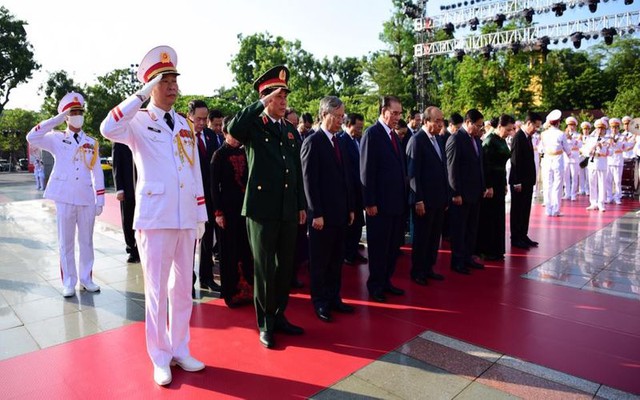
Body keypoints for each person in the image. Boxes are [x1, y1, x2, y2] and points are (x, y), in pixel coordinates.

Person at [101, 46, 207, 386]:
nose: (173, 85)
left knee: (182, 290)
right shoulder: (138, 122)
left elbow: (195, 171)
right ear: (150, 85)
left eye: (175, 79)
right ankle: (159, 356)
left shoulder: (185, 125)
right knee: (157, 290)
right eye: (165, 80)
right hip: (155, 216)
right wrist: (140, 95)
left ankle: (180, 349)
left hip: (185, 217)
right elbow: (107, 128)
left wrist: (200, 211)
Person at [227, 65, 307, 349]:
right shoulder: (254, 126)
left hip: (286, 209)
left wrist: (300, 204)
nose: (284, 101)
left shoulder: (288, 130)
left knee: (285, 267)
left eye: (285, 95)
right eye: (278, 96)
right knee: (264, 270)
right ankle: (265, 324)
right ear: (266, 98)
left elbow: (295, 170)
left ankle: (279, 314)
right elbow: (233, 129)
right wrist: (259, 103)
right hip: (261, 210)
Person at [27, 92, 104, 298]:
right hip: (65, 197)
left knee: (86, 241)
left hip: (86, 197)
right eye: (73, 112)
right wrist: (56, 120)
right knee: (66, 241)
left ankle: (86, 279)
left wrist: (101, 198)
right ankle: (69, 281)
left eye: (80, 112)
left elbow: (96, 171)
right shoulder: (56, 138)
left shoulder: (91, 142)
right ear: (66, 116)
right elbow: (31, 137)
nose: (78, 115)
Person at [301, 96, 355, 322]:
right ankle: (320, 301)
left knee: (336, 259)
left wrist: (351, 207)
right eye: (338, 116)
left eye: (343, 116)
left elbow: (346, 178)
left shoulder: (340, 141)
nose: (341, 120)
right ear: (324, 115)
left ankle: (334, 297)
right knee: (320, 261)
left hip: (340, 213)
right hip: (322, 216)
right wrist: (316, 213)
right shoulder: (313, 142)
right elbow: (309, 182)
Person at [360, 95, 407, 302]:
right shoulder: (372, 134)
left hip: (395, 203)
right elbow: (366, 171)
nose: (398, 117)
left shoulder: (394, 135)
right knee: (379, 248)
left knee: (391, 248)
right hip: (378, 205)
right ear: (383, 111)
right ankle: (375, 285)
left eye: (400, 113)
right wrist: (369, 202)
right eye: (394, 113)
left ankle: (386, 281)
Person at [211, 116, 253, 308]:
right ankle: (231, 292)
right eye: (232, 135)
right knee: (229, 250)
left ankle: (248, 289)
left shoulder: (246, 152)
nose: (237, 139)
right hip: (227, 210)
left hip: (245, 209)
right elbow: (213, 187)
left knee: (246, 248)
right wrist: (218, 212)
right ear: (225, 133)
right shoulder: (218, 155)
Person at [406, 106, 448, 285]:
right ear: (426, 121)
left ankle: (429, 267)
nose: (440, 124)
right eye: (436, 121)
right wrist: (418, 199)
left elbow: (442, 168)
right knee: (422, 237)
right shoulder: (417, 141)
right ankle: (418, 271)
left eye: (441, 120)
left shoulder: (438, 139)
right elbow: (413, 174)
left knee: (433, 236)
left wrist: (446, 195)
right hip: (424, 199)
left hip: (438, 198)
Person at [446, 109, 487, 274]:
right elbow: (452, 169)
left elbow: (479, 165)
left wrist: (483, 186)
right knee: (459, 229)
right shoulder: (456, 139)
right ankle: (457, 261)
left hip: (475, 192)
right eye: (477, 125)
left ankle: (468, 257)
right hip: (461, 194)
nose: (480, 128)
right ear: (468, 122)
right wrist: (455, 193)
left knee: (471, 228)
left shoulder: (475, 139)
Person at [187, 100, 222, 296]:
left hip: (208, 197)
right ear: (189, 115)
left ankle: (207, 277)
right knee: (189, 242)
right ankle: (188, 281)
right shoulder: (182, 136)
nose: (201, 123)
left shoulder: (211, 136)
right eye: (198, 118)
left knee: (208, 238)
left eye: (204, 119)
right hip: (189, 197)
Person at [476, 114, 515, 261]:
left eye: (511, 130)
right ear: (499, 126)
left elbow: (503, 164)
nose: (510, 132)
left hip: (500, 181)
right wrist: (488, 185)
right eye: (508, 129)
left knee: (499, 216)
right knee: (489, 217)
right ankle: (487, 249)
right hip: (490, 182)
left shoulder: (502, 140)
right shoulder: (489, 140)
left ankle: (497, 249)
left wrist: (504, 183)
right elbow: (486, 165)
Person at [509, 112, 542, 250]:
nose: (536, 129)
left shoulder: (528, 137)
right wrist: (517, 182)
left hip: (527, 181)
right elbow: (515, 161)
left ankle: (523, 235)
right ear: (528, 123)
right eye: (536, 126)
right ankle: (516, 238)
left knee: (525, 210)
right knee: (517, 210)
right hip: (519, 182)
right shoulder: (518, 137)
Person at [339, 113, 367, 266]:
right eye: (358, 128)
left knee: (357, 224)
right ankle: (347, 254)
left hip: (359, 190)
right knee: (350, 224)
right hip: (350, 190)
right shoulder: (342, 141)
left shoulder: (358, 140)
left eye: (362, 128)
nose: (360, 130)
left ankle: (354, 251)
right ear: (349, 125)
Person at [538, 110, 571, 217]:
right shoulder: (561, 134)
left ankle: (548, 209)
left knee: (547, 184)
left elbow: (540, 149)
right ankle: (556, 210)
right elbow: (568, 150)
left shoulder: (543, 134)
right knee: (557, 184)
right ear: (558, 122)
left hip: (547, 159)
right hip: (558, 159)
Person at [112, 142, 139, 263]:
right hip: (128, 189)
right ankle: (132, 249)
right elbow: (116, 166)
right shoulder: (119, 141)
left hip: (145, 190)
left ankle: (141, 248)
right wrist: (119, 189)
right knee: (128, 220)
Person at [581, 119, 610, 212]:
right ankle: (593, 203)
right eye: (598, 128)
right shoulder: (590, 139)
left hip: (602, 163)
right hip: (592, 163)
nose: (600, 130)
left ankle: (601, 203)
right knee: (592, 183)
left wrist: (601, 148)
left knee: (602, 184)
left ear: (605, 129)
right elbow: (584, 150)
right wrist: (591, 149)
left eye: (602, 129)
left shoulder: (607, 140)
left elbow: (610, 152)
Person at [605, 118, 626, 205]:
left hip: (617, 161)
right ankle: (609, 197)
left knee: (617, 181)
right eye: (612, 127)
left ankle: (617, 197)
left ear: (618, 128)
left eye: (616, 127)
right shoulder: (607, 137)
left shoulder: (622, 137)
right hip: (609, 161)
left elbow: (622, 147)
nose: (614, 129)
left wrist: (614, 143)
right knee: (608, 180)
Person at [562, 117, 581, 201]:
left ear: (575, 126)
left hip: (574, 157)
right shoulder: (563, 134)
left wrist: (571, 139)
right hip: (566, 157)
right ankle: (567, 193)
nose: (571, 127)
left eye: (573, 125)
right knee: (566, 177)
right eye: (570, 125)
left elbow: (579, 145)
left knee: (574, 177)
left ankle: (573, 194)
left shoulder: (578, 135)